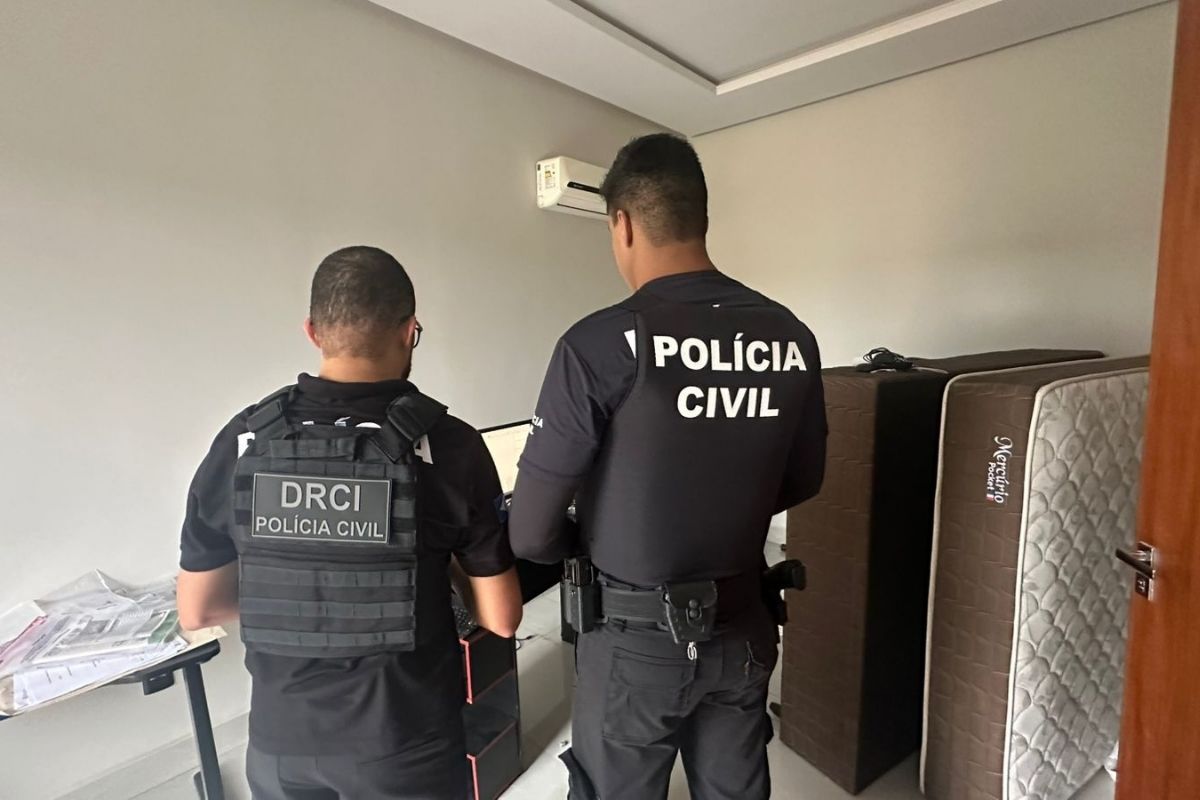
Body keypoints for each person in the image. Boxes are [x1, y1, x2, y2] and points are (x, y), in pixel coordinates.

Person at [508, 134, 827, 799]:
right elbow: (804, 479)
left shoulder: (598, 344)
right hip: (744, 624)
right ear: (699, 217)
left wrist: (592, 535)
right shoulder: (790, 336)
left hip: (635, 640)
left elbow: (531, 532)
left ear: (622, 224)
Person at [176, 245, 523, 800]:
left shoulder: (244, 440)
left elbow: (198, 609)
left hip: (280, 747)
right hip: (405, 746)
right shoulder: (447, 445)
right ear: (409, 331)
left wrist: (304, 590)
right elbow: (501, 618)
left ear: (313, 332)